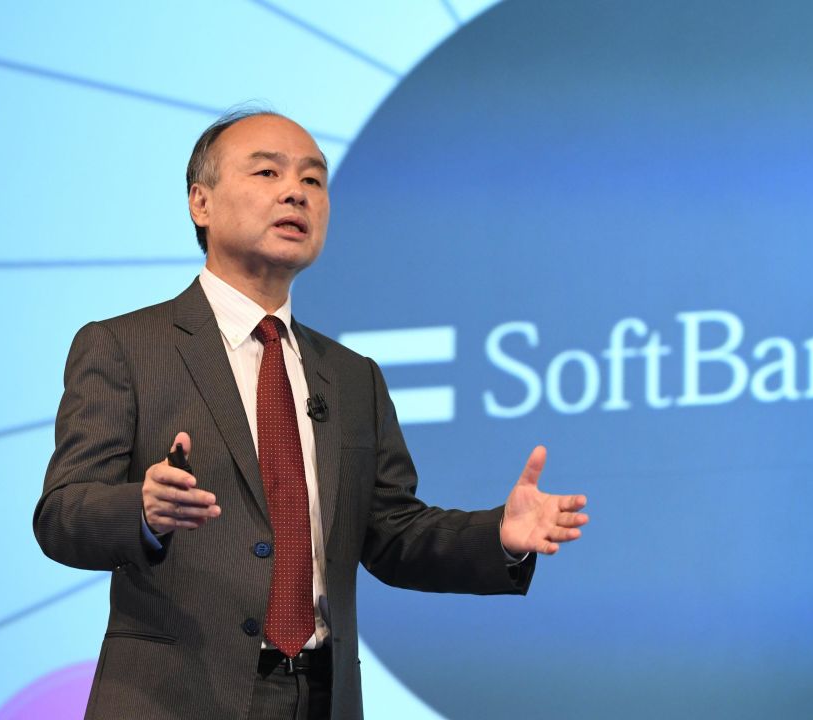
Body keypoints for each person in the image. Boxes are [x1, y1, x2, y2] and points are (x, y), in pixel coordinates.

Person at [33, 109, 589, 720]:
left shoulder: (352, 377)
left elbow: (391, 533)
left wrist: (498, 538)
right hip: (174, 697)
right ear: (201, 203)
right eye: (267, 172)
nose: (295, 191)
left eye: (313, 180)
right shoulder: (125, 346)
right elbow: (61, 514)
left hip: (320, 696)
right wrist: (142, 508)